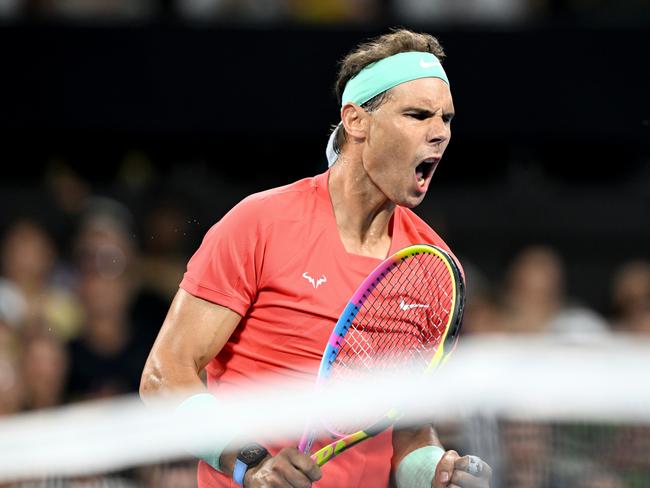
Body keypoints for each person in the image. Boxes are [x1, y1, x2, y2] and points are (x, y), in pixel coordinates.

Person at [141, 28, 492, 488]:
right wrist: (252, 463)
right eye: (418, 114)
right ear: (356, 121)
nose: (440, 133)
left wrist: (433, 473)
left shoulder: (433, 270)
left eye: (446, 118)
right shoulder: (260, 223)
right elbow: (164, 377)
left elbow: (408, 434)